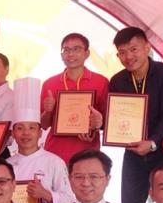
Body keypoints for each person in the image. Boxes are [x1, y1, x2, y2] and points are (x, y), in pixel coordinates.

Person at [108, 27, 163, 203]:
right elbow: (115, 117)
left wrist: (153, 142)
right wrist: (102, 121)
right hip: (133, 153)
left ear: (147, 47)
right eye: (122, 52)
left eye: (133, 49)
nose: (128, 57)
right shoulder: (117, 81)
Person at [7, 77, 74, 203]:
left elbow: (70, 201)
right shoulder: (6, 164)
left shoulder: (54, 162)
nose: (26, 133)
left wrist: (46, 195)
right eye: (20, 128)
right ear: (13, 134)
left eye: (32, 128)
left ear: (40, 133)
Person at [39, 33, 110, 165]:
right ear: (61, 55)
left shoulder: (101, 82)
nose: (70, 54)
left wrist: (99, 123)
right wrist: (48, 111)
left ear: (87, 53)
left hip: (88, 154)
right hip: (55, 154)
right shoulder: (50, 83)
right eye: (66, 50)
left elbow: (108, 122)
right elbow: (43, 125)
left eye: (76, 49)